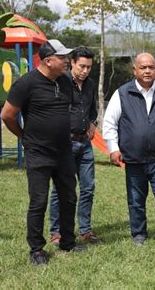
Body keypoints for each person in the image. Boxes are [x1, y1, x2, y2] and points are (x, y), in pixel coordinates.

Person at [1, 40, 86, 266]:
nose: (67, 61)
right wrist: (24, 136)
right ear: (48, 61)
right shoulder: (26, 84)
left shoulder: (66, 82)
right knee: (39, 201)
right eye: (62, 57)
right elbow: (7, 115)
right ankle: (37, 249)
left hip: (64, 152)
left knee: (69, 197)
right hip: (38, 153)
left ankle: (68, 241)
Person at [103, 53, 155, 251]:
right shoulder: (122, 93)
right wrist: (113, 148)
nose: (147, 71)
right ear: (135, 70)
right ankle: (139, 233)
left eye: (151, 67)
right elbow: (109, 122)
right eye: (143, 67)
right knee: (136, 199)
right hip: (134, 158)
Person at [49, 46, 100, 246]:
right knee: (60, 189)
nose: (85, 71)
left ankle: (85, 230)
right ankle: (56, 232)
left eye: (89, 67)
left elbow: (93, 110)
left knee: (88, 188)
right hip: (65, 144)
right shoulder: (60, 83)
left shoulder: (90, 85)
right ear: (72, 63)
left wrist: (93, 124)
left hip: (85, 144)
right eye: (82, 66)